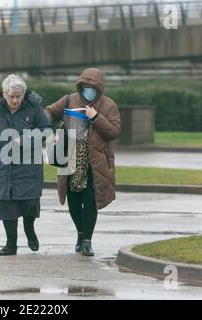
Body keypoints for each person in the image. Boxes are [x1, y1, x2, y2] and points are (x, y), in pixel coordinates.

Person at [45, 68, 121, 256]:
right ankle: (80, 233)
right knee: (73, 202)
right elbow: (49, 111)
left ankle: (87, 240)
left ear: (99, 89)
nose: (88, 91)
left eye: (92, 88)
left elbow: (114, 131)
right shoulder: (69, 100)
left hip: (94, 162)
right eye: (85, 87)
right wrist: (47, 122)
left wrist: (95, 117)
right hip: (70, 157)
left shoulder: (109, 105)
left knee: (90, 201)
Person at [0, 75, 52, 256]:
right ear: (4, 93)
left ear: (24, 95)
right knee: (6, 205)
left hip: (28, 165)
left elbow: (46, 129)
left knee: (30, 204)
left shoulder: (33, 107)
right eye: (11, 97)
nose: (15, 100)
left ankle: (29, 229)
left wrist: (26, 139)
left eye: (19, 96)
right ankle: (11, 243)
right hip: (3, 164)